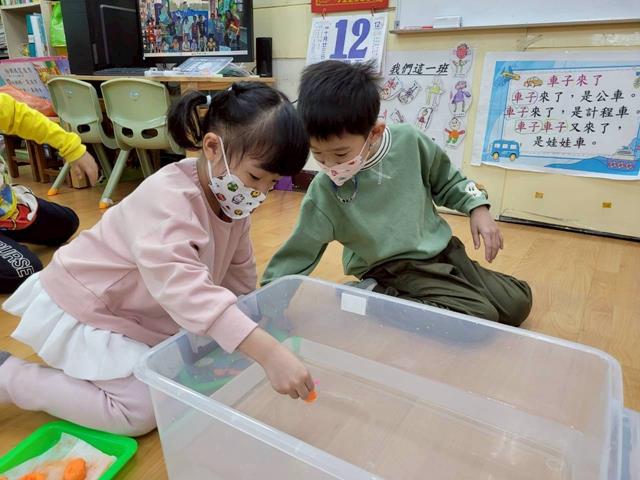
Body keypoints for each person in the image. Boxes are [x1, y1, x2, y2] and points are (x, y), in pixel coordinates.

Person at [0, 83, 313, 436]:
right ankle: (11, 377)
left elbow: (238, 274)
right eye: (256, 177)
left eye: (271, 183)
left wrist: (256, 320)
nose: (260, 193)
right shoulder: (168, 198)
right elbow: (184, 289)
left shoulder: (233, 201)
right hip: (90, 307)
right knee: (139, 411)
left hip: (139, 312)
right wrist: (268, 352)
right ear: (212, 147)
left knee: (187, 366)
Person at [262, 61, 532, 328]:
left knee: (518, 302)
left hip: (443, 250)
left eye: (340, 154)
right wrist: (269, 303)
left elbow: (449, 181)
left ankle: (416, 293)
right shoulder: (324, 191)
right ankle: (369, 296)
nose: (330, 165)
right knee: (480, 316)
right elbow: (299, 251)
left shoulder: (409, 141)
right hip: (391, 268)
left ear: (374, 132)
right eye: (318, 154)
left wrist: (477, 207)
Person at [0, 93, 98, 294]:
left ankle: (7, 234)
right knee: (23, 269)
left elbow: (21, 116)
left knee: (66, 222)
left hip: (6, 207)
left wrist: (72, 148)